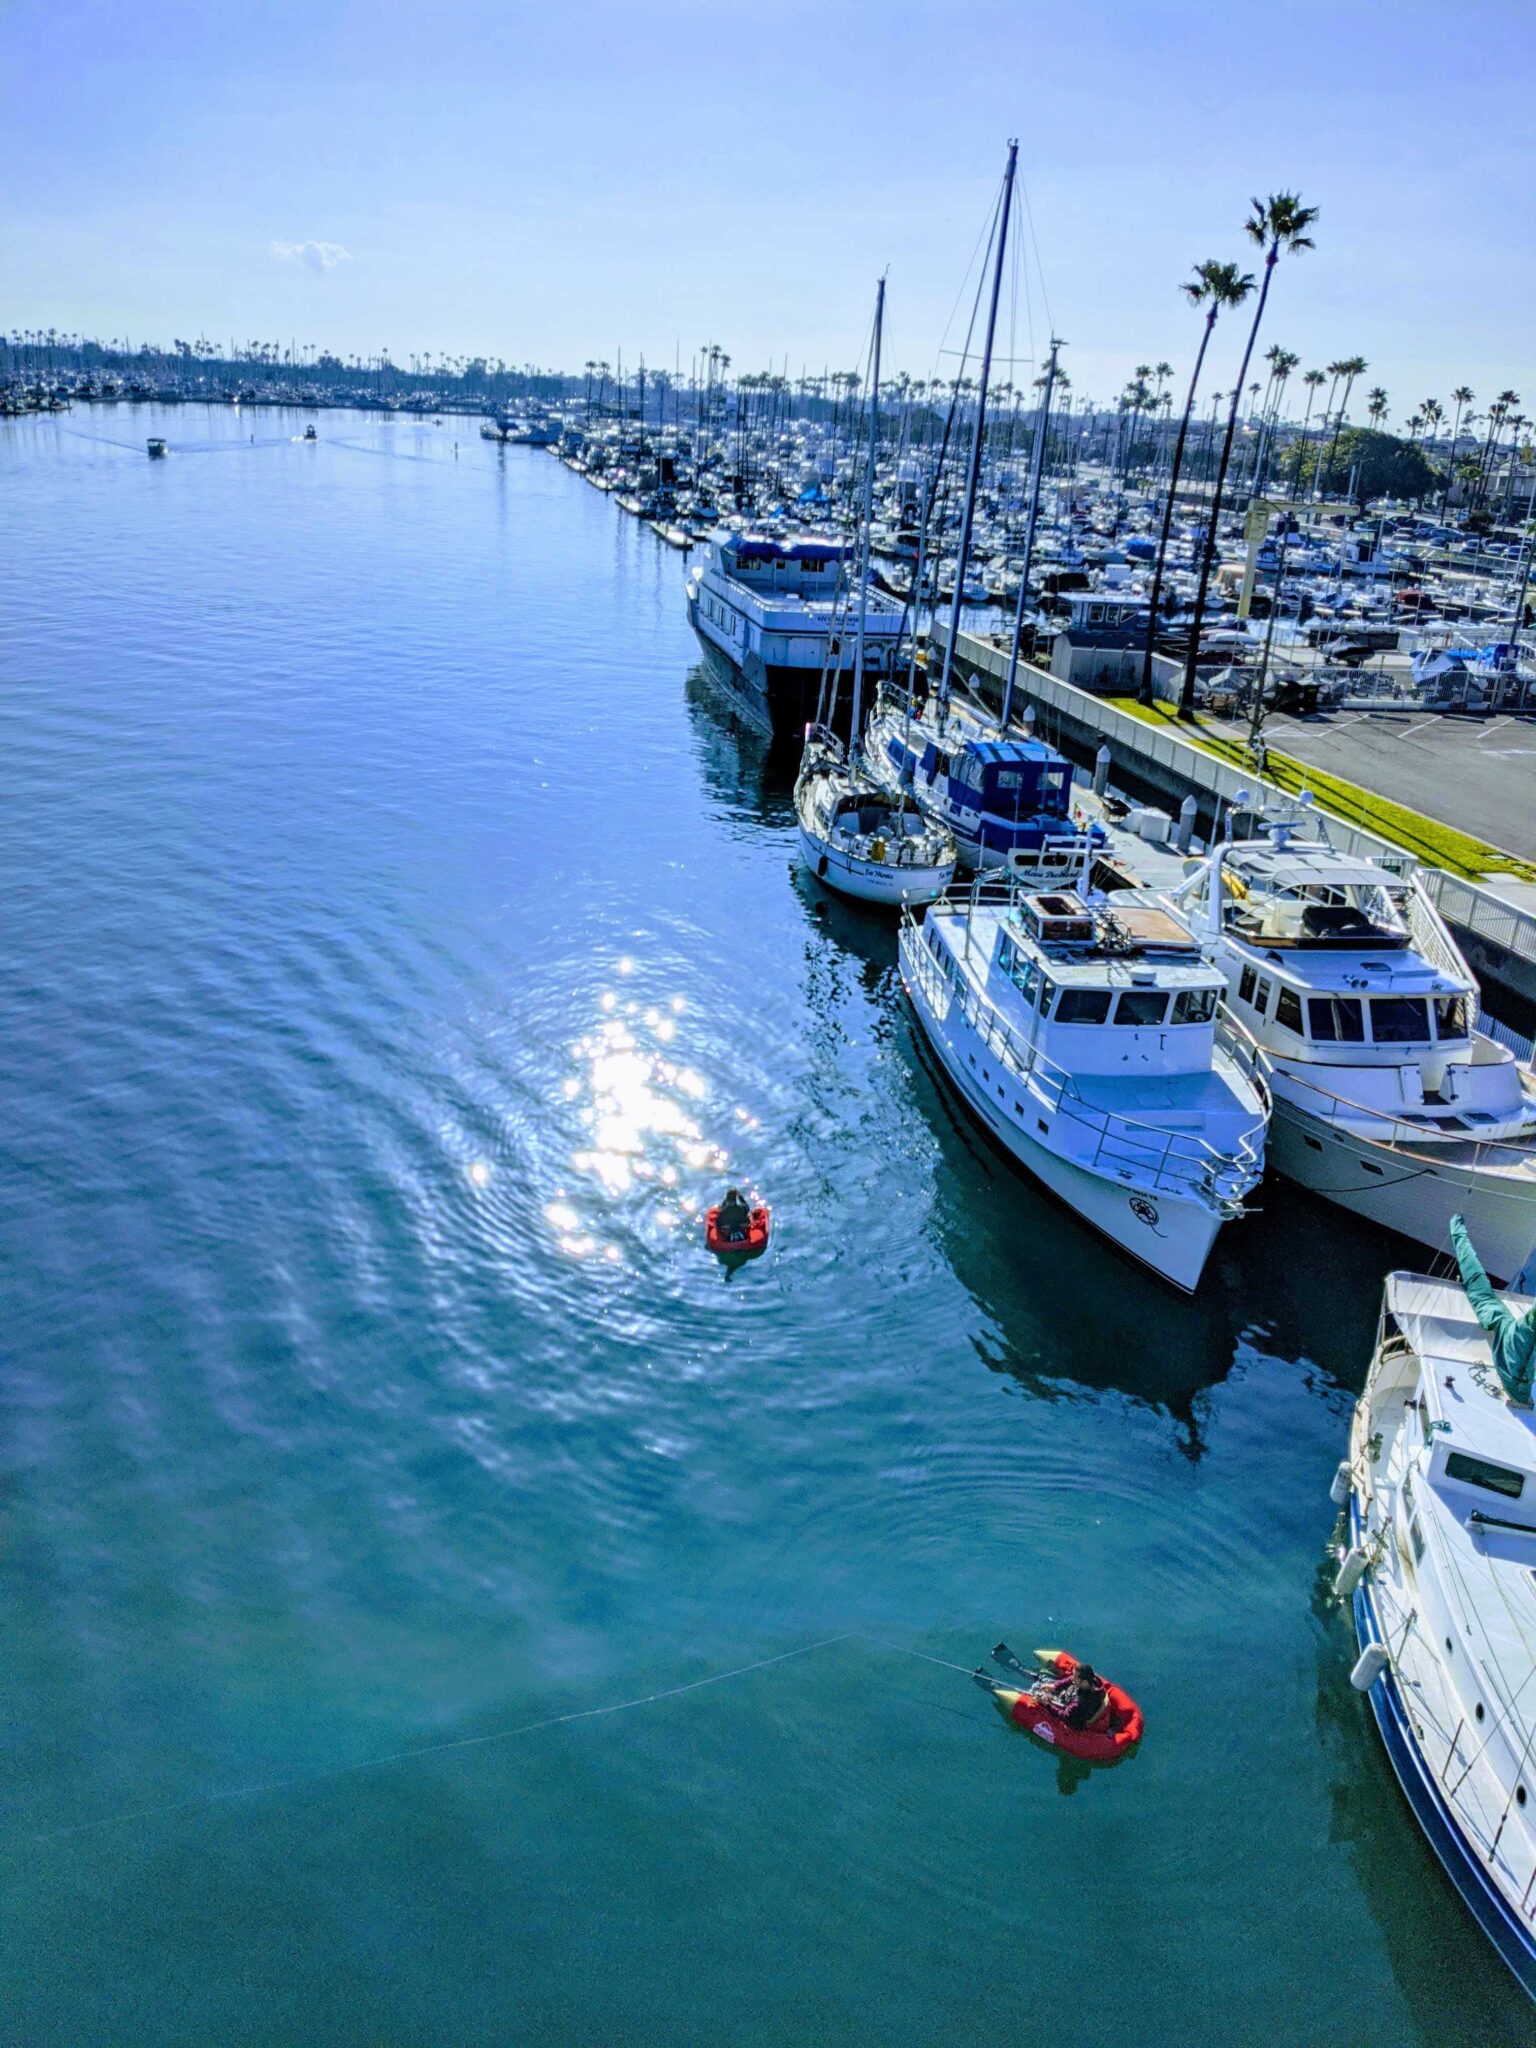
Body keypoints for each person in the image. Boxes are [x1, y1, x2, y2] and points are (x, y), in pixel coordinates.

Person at [1450, 1213, 1536, 1406]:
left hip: (1513, 1378)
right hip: (1520, 1388)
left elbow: (1475, 1278)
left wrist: (1457, 1229)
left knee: (1477, 1284)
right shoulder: (1515, 1333)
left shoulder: (1509, 1332)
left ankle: (1457, 1229)